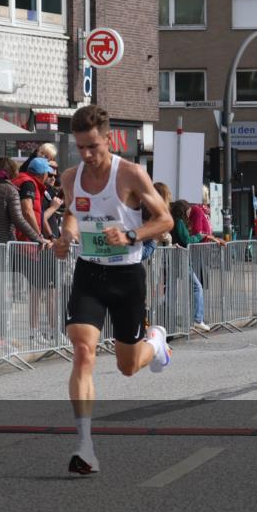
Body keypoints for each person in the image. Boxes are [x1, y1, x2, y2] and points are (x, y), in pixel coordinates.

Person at [54, 105, 173, 475]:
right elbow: (72, 212)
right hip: (90, 272)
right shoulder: (71, 177)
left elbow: (165, 219)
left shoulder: (131, 173)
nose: (87, 155)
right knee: (83, 350)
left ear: (109, 139)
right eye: (80, 148)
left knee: (127, 367)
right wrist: (67, 234)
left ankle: (155, 343)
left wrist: (131, 235)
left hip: (127, 276)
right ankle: (85, 446)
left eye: (93, 146)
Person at [13, 157, 58, 344]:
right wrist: (38, 237)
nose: (52, 175)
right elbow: (28, 210)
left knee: (42, 289)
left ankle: (45, 331)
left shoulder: (30, 183)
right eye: (49, 172)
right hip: (29, 246)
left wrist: (47, 236)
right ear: (42, 173)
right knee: (39, 290)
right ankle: (36, 332)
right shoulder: (29, 184)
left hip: (30, 244)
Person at [171, 199, 220, 332]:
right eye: (188, 209)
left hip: (178, 257)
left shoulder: (177, 221)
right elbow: (187, 240)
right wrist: (198, 236)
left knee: (175, 289)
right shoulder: (180, 222)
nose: (189, 212)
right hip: (181, 258)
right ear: (183, 210)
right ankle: (198, 319)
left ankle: (193, 319)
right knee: (197, 287)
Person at [0, 157, 46, 245]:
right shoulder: (10, 191)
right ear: (13, 172)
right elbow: (18, 219)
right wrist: (37, 237)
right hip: (2, 242)